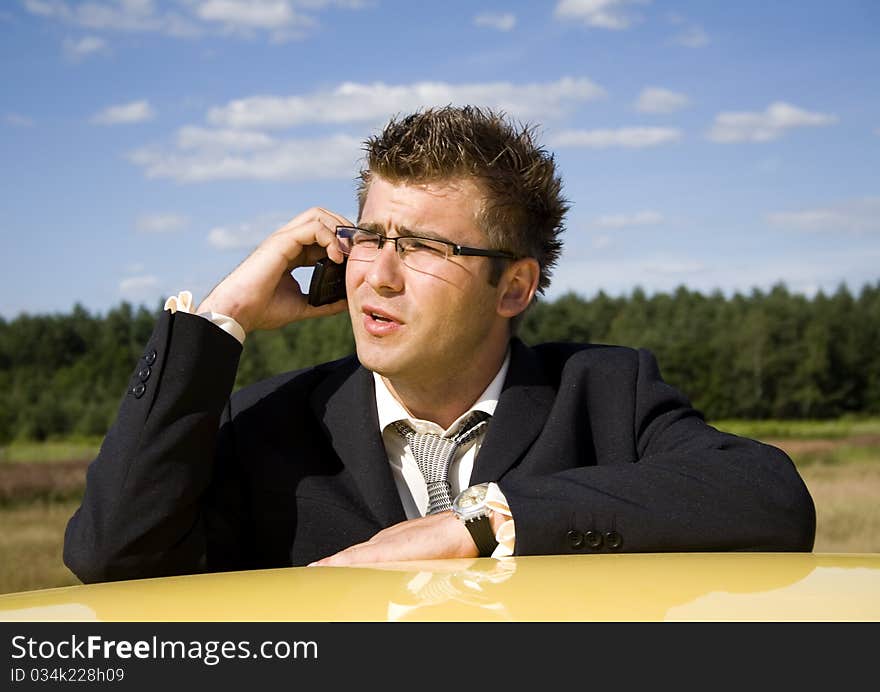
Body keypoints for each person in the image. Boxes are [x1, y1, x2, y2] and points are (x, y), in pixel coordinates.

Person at [63, 106, 816, 584]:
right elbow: (111, 556)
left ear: (514, 288)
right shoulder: (263, 423)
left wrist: (479, 526)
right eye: (366, 239)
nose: (377, 277)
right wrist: (222, 316)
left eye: (421, 246)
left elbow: (772, 499)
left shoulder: (604, 393)